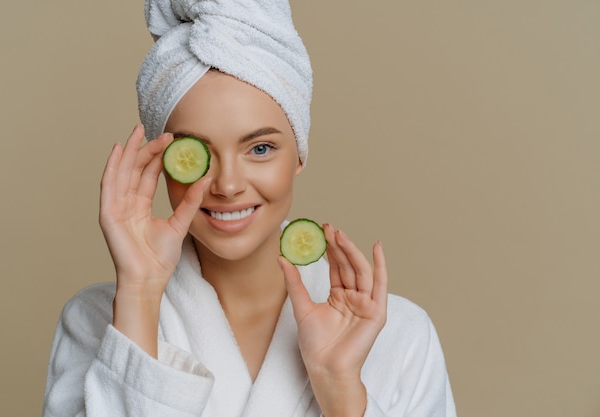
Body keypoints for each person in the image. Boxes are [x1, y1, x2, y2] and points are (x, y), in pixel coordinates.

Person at [43, 0, 456, 416]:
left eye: (260, 148)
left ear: (299, 155)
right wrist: (139, 295)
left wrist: (341, 391)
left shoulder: (400, 335)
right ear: (162, 163)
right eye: (196, 153)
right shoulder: (98, 321)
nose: (227, 185)